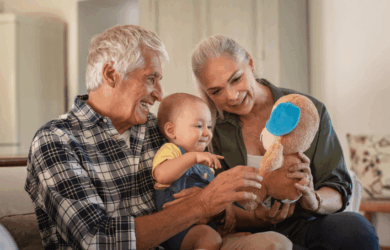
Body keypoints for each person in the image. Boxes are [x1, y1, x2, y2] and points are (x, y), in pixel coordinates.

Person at [23, 25, 283, 250]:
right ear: (111, 74)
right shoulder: (56, 141)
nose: (159, 95)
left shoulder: (158, 129)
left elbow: (201, 198)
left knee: (275, 243)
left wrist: (254, 215)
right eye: (150, 79)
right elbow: (97, 241)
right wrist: (200, 206)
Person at [189, 34, 380, 250]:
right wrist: (255, 218)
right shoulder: (207, 130)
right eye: (216, 91)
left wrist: (313, 199)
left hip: (306, 224)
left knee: (355, 229)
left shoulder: (306, 111)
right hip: (250, 233)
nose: (232, 96)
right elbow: (212, 207)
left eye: (236, 79)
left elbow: (338, 188)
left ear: (250, 63)